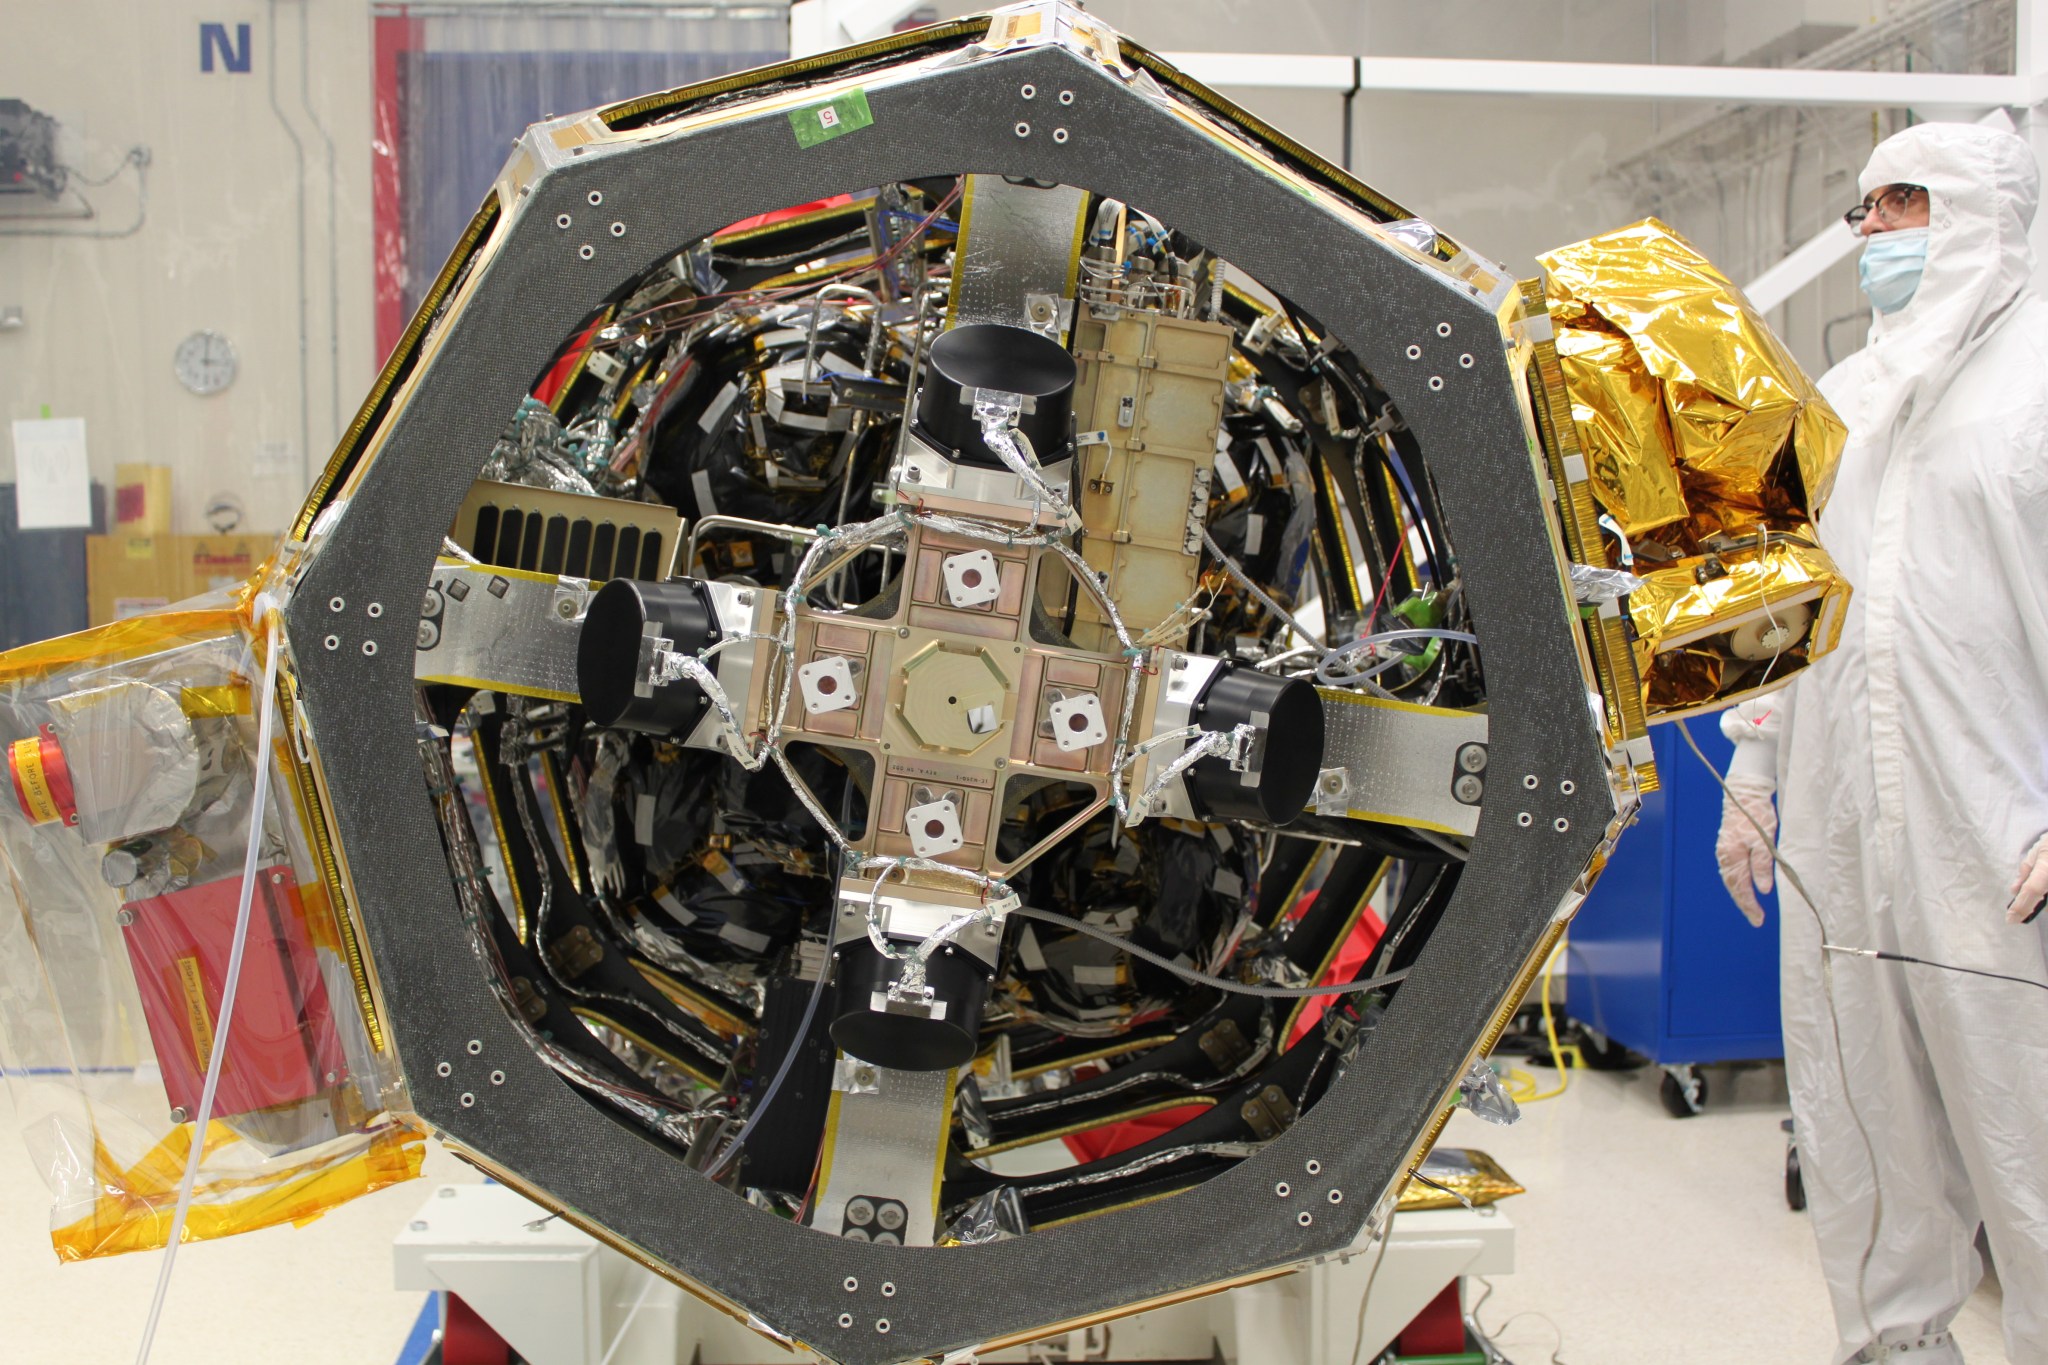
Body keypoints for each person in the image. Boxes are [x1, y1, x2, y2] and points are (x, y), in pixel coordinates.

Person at [1713, 120, 2048, 1363]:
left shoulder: (2036, 384)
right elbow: (1791, 607)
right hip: (1842, 831)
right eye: (1865, 209)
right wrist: (1752, 771)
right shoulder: (1846, 398)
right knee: (1863, 1129)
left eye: (1900, 202)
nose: (1872, 233)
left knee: (2029, 1138)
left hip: (1999, 841)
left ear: (1980, 212)